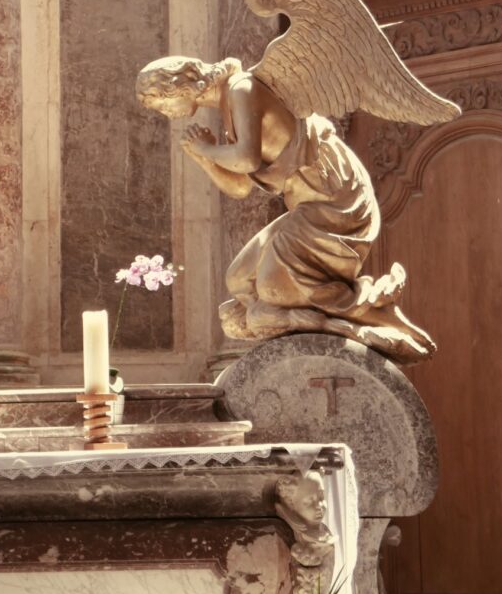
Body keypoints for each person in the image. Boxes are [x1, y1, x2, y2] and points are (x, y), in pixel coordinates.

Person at [136, 55, 435, 364]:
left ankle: (369, 312)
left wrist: (208, 149)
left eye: (161, 104)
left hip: (335, 200)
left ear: (179, 86)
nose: (166, 114)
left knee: (272, 292)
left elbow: (247, 159)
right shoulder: (230, 105)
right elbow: (240, 187)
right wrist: (204, 158)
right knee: (239, 280)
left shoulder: (241, 89)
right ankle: (304, 319)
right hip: (309, 205)